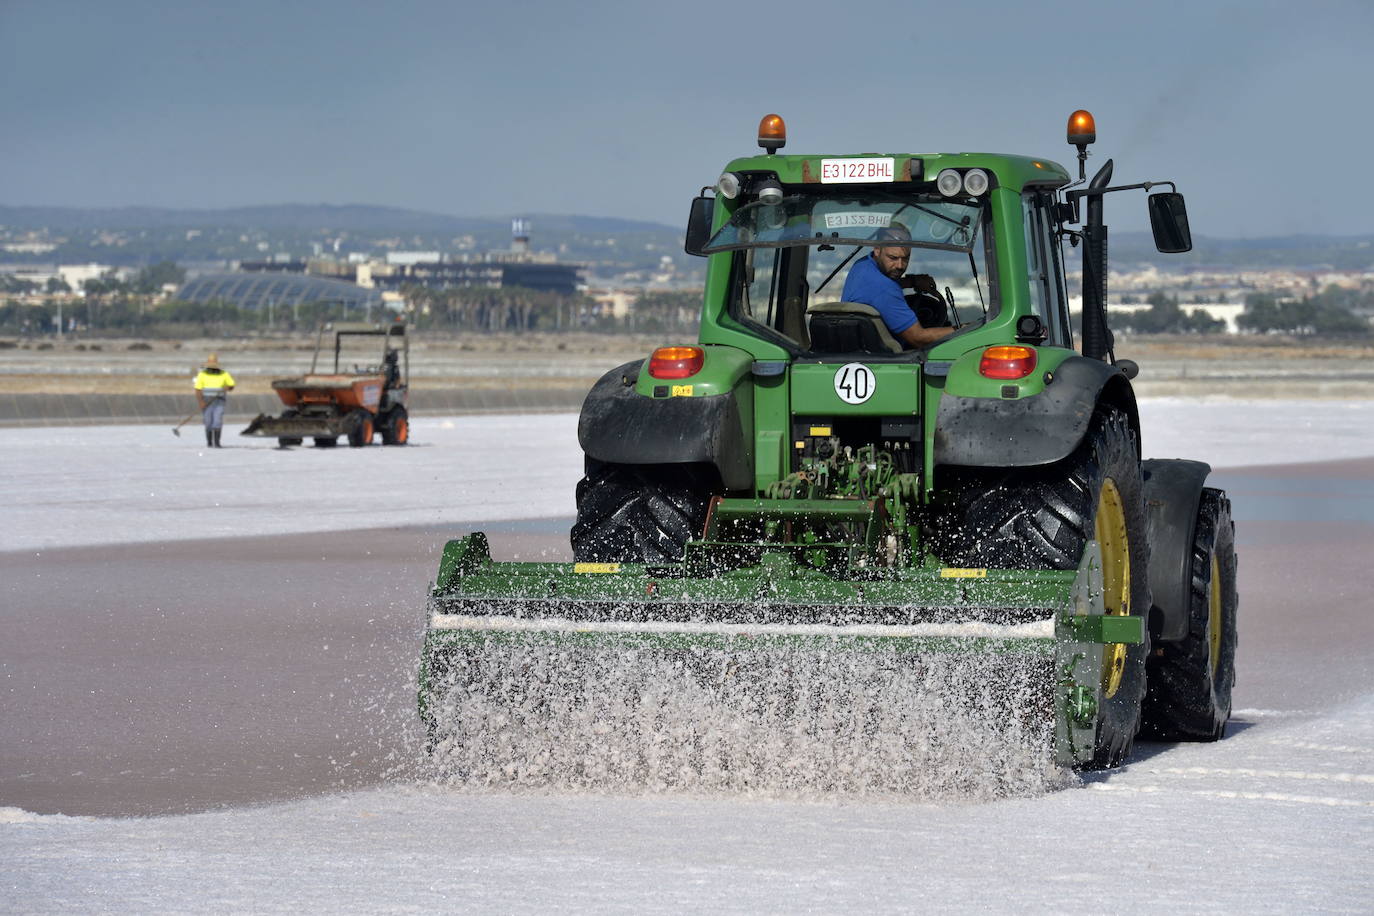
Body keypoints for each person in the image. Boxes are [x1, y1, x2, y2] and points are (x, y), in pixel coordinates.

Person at [841, 225, 955, 348]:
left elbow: (876, 287)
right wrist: (964, 329)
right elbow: (918, 338)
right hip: (885, 360)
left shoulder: (862, 266)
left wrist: (912, 281)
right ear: (877, 249)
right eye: (893, 258)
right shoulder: (886, 290)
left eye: (905, 258)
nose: (900, 265)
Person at [193, 354, 235, 448]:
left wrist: (228, 387)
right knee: (208, 422)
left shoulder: (224, 374)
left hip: (219, 401)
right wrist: (201, 402)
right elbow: (198, 389)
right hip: (207, 401)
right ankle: (209, 442)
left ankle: (217, 442)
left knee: (217, 421)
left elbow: (231, 385)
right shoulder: (202, 374)